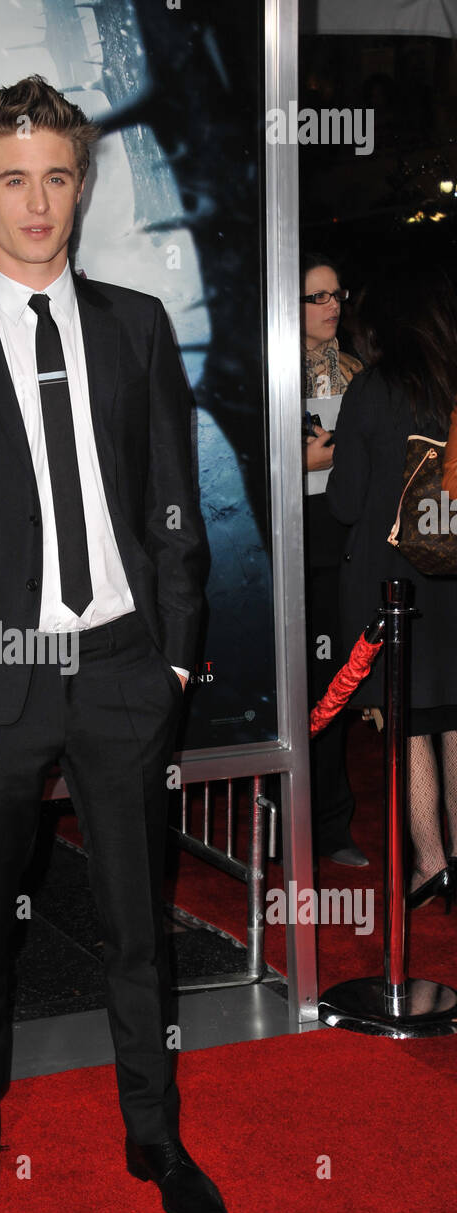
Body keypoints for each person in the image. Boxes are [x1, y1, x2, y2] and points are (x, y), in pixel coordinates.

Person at [0, 76, 228, 1213]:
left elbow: (175, 506)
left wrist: (176, 658)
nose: (37, 202)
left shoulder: (133, 327)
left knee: (139, 926)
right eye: (13, 179)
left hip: (127, 668)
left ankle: (155, 1135)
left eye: (58, 177)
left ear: (83, 185)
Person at [327, 261, 457, 910]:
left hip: (395, 589)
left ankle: (430, 864)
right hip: (453, 580)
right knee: (456, 719)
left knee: (407, 724)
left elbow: (346, 502)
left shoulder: (373, 389)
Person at [302, 253, 367, 866]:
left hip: (343, 548)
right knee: (288, 692)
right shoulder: (270, 373)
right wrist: (299, 465)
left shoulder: (357, 373)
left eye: (335, 294)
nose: (331, 307)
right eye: (316, 297)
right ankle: (285, 829)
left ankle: (332, 825)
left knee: (334, 690)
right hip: (284, 551)